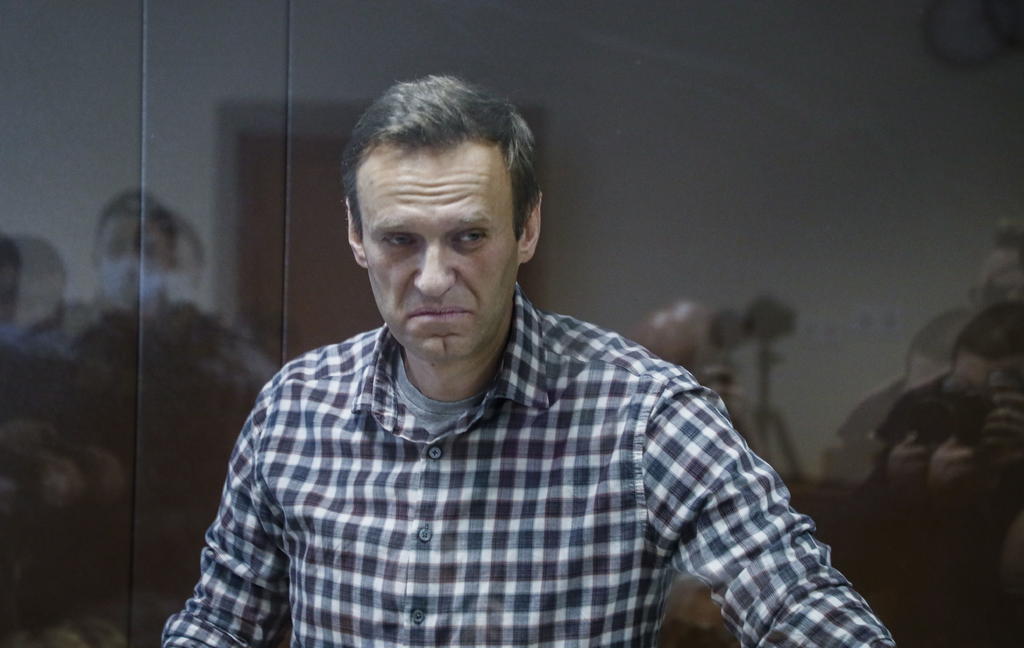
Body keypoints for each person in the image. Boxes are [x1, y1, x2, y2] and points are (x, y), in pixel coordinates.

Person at [163, 75, 893, 647]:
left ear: (528, 228)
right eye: (400, 241)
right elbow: (220, 624)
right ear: (356, 236)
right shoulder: (295, 408)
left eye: (469, 237)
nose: (434, 278)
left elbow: (796, 600)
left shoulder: (645, 417)